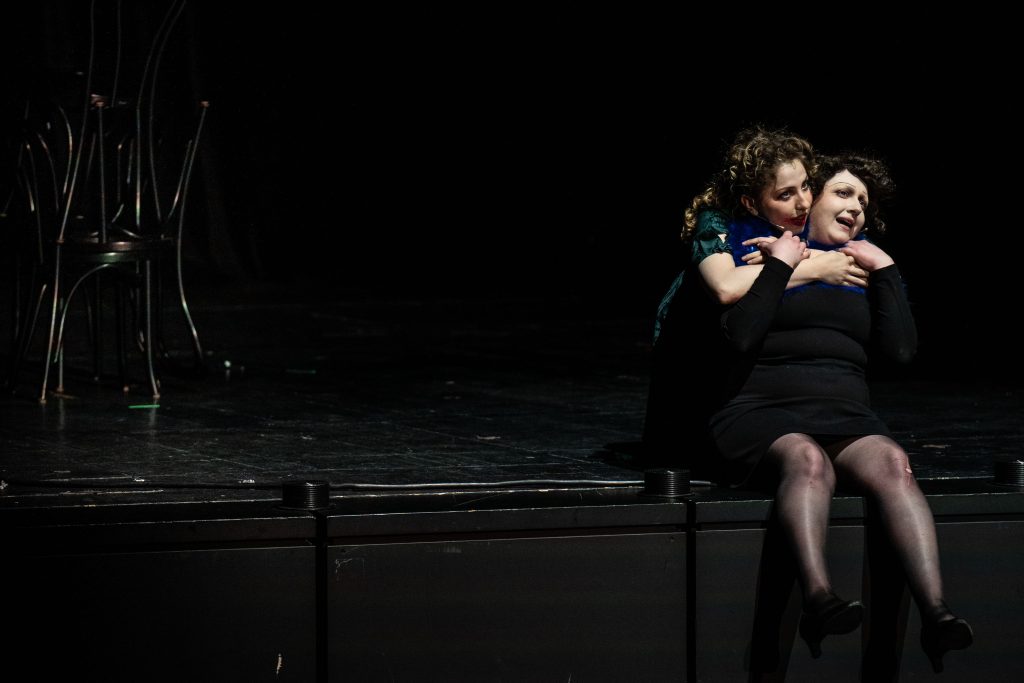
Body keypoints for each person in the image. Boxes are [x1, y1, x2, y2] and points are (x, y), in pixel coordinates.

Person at [709, 153, 973, 673]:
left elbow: (900, 351)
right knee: (807, 460)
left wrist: (886, 269)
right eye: (843, 193)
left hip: (844, 414)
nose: (856, 207)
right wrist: (785, 265)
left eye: (863, 202)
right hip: (759, 410)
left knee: (893, 463)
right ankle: (819, 598)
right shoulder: (765, 250)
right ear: (811, 202)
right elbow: (739, 334)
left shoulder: (862, 269)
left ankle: (936, 614)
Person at [643, 126, 864, 468]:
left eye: (806, 186)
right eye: (785, 194)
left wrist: (793, 259)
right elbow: (725, 286)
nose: (803, 202)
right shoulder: (715, 221)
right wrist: (809, 267)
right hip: (695, 366)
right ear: (750, 202)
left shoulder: (793, 226)